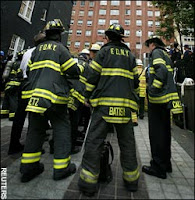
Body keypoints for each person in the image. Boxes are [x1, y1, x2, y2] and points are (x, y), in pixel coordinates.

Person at [77, 23, 140, 196]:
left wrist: (86, 96)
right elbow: (135, 82)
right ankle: (131, 180)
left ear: (108, 37)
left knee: (94, 142)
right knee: (127, 144)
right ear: (121, 38)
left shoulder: (103, 52)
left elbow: (92, 76)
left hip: (103, 106)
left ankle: (88, 184)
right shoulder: (130, 55)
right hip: (125, 107)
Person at [19, 19, 83, 183]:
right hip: (55, 98)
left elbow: (28, 71)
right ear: (59, 34)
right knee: (61, 128)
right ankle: (61, 168)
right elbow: (72, 70)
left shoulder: (36, 50)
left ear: (46, 34)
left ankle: (28, 168)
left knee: (35, 130)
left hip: (35, 97)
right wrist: (81, 67)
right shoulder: (61, 49)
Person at [142, 36, 183, 179]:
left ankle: (158, 167)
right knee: (165, 133)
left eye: (149, 46)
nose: (149, 49)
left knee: (157, 133)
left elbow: (161, 72)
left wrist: (153, 89)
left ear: (153, 44)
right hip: (165, 100)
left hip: (158, 100)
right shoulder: (166, 54)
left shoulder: (156, 53)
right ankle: (166, 164)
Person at [7, 32, 46, 155]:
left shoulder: (27, 52)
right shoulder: (41, 53)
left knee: (19, 116)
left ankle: (14, 144)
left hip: (23, 84)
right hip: (34, 85)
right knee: (36, 116)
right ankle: (32, 146)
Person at [1, 51, 24, 121]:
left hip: (8, 83)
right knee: (13, 100)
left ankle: (3, 113)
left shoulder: (12, 63)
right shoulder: (21, 64)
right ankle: (13, 115)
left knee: (6, 99)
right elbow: (20, 74)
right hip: (15, 84)